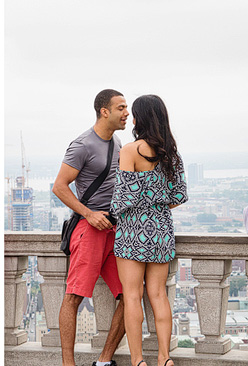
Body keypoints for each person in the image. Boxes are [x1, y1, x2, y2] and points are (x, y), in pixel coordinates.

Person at [52, 89, 128, 366]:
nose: (126, 113)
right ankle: (68, 364)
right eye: (121, 108)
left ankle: (104, 360)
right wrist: (89, 214)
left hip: (114, 231)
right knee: (73, 296)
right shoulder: (82, 144)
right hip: (89, 230)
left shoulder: (118, 142)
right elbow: (59, 187)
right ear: (104, 111)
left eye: (127, 107)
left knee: (129, 296)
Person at [110, 95, 188, 366]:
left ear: (139, 119)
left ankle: (138, 360)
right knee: (158, 295)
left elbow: (121, 199)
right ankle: (165, 359)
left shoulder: (129, 151)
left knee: (132, 296)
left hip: (132, 230)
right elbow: (178, 195)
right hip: (162, 229)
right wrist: (157, 203)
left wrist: (138, 205)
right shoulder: (171, 154)